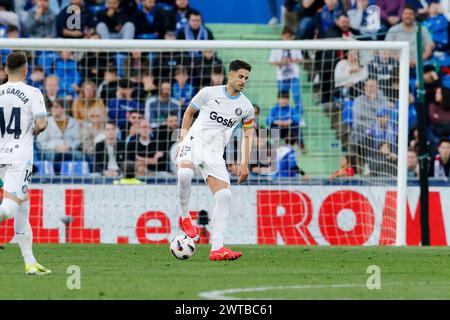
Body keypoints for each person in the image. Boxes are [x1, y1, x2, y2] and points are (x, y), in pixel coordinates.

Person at [176, 60, 255, 261]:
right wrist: (183, 138)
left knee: (224, 196)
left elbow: (248, 135)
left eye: (246, 78)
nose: (243, 81)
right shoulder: (209, 92)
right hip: (194, 141)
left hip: (214, 153)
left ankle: (217, 248)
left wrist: (244, 162)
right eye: (240, 76)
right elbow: (189, 113)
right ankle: (185, 217)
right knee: (184, 173)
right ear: (230, 75)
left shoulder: (246, 107)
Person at [0, 51, 51, 275]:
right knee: (10, 209)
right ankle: (30, 263)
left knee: (23, 206)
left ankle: (30, 263)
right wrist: (32, 130)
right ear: (26, 69)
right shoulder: (32, 92)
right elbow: (42, 122)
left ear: (5, 70)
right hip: (19, 158)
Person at [35, 98, 83, 170]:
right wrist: (56, 147)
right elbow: (40, 141)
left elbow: (77, 140)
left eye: (56, 107)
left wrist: (69, 147)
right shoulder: (46, 122)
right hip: (51, 150)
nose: (52, 109)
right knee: (52, 156)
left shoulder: (74, 122)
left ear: (63, 109)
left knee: (79, 156)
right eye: (52, 107)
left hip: (68, 150)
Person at [269, 26, 304, 124]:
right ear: (282, 35)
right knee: (282, 98)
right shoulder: (276, 46)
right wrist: (281, 62)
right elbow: (271, 61)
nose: (288, 38)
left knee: (297, 97)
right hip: (282, 77)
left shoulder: (295, 46)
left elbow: (300, 59)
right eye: (286, 36)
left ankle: (299, 118)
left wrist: (292, 60)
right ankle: (281, 117)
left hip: (294, 76)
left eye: (290, 36)